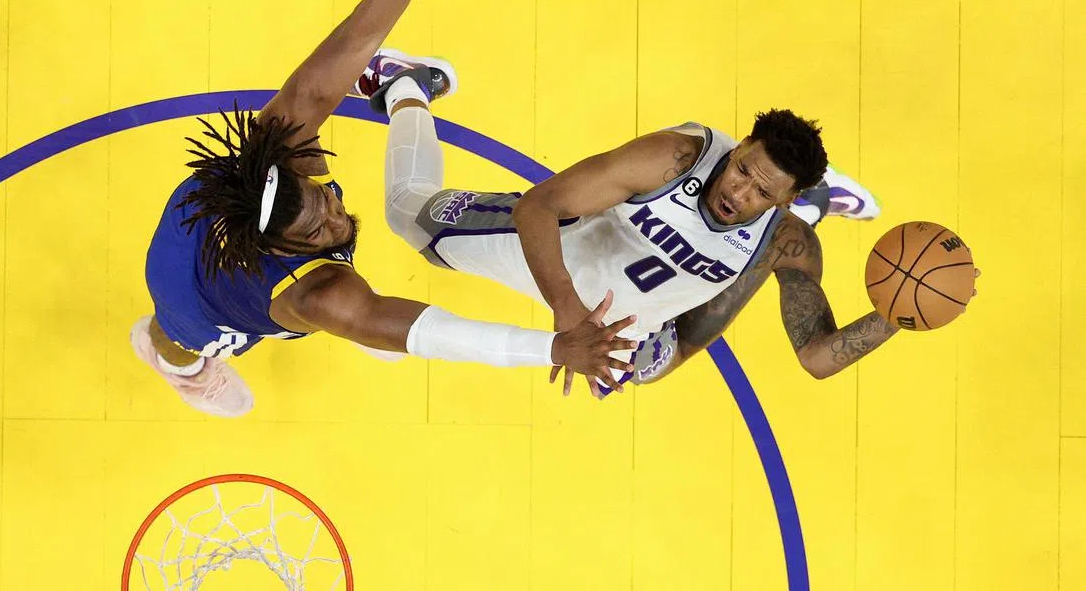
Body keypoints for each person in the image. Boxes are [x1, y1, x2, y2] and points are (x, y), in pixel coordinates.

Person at [131, 0, 636, 417]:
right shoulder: (318, 294)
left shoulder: (280, 143)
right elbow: (435, 334)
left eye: (324, 201)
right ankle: (185, 374)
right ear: (278, 250)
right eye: (317, 231)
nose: (337, 217)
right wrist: (553, 348)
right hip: (189, 294)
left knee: (373, 303)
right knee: (172, 339)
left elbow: (360, 33)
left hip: (208, 213)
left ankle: (401, 85)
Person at [363, 56, 918, 398]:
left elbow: (816, 358)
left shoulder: (787, 240)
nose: (738, 191)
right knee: (406, 213)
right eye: (743, 167)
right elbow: (538, 208)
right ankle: (409, 87)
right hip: (564, 257)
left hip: (643, 336)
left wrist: (897, 315)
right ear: (740, 144)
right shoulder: (673, 158)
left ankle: (822, 197)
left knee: (650, 370)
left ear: (785, 200)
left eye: (763, 192)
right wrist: (568, 313)